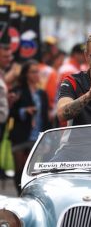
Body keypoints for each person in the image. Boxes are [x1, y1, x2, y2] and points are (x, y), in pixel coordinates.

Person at [9, 60, 50, 194]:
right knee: (20, 169)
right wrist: (24, 111)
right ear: (26, 74)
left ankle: (30, 194)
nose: (36, 74)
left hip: (37, 136)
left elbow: (45, 117)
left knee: (34, 170)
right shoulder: (17, 91)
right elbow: (10, 112)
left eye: (37, 71)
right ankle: (20, 194)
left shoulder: (41, 93)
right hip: (21, 135)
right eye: (33, 72)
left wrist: (48, 138)